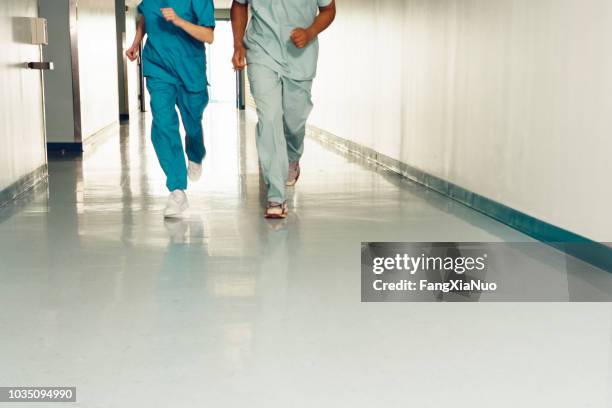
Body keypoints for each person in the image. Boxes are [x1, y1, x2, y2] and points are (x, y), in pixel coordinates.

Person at [230, 0, 336, 219]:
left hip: (300, 54)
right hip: (261, 51)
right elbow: (239, 5)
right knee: (269, 118)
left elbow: (328, 10)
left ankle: (293, 157)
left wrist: (310, 32)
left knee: (294, 121)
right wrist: (238, 45)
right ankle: (276, 195)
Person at [126, 0, 215, 218]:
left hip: (190, 69)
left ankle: (195, 153)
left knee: (192, 124)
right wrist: (137, 42)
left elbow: (208, 36)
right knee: (163, 124)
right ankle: (177, 190)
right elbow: (145, 17)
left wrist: (179, 20)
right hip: (158, 68)